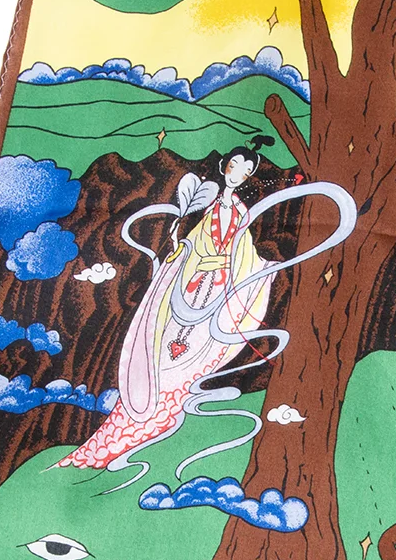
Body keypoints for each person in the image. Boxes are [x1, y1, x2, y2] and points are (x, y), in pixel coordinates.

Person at [60, 137, 274, 469]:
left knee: (198, 349)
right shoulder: (207, 202)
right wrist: (192, 255)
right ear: (225, 167)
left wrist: (259, 269)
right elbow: (188, 242)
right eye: (234, 166)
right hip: (190, 283)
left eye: (245, 172)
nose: (237, 175)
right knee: (165, 343)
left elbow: (243, 252)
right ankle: (138, 410)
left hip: (218, 288)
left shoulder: (241, 212)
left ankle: (169, 409)